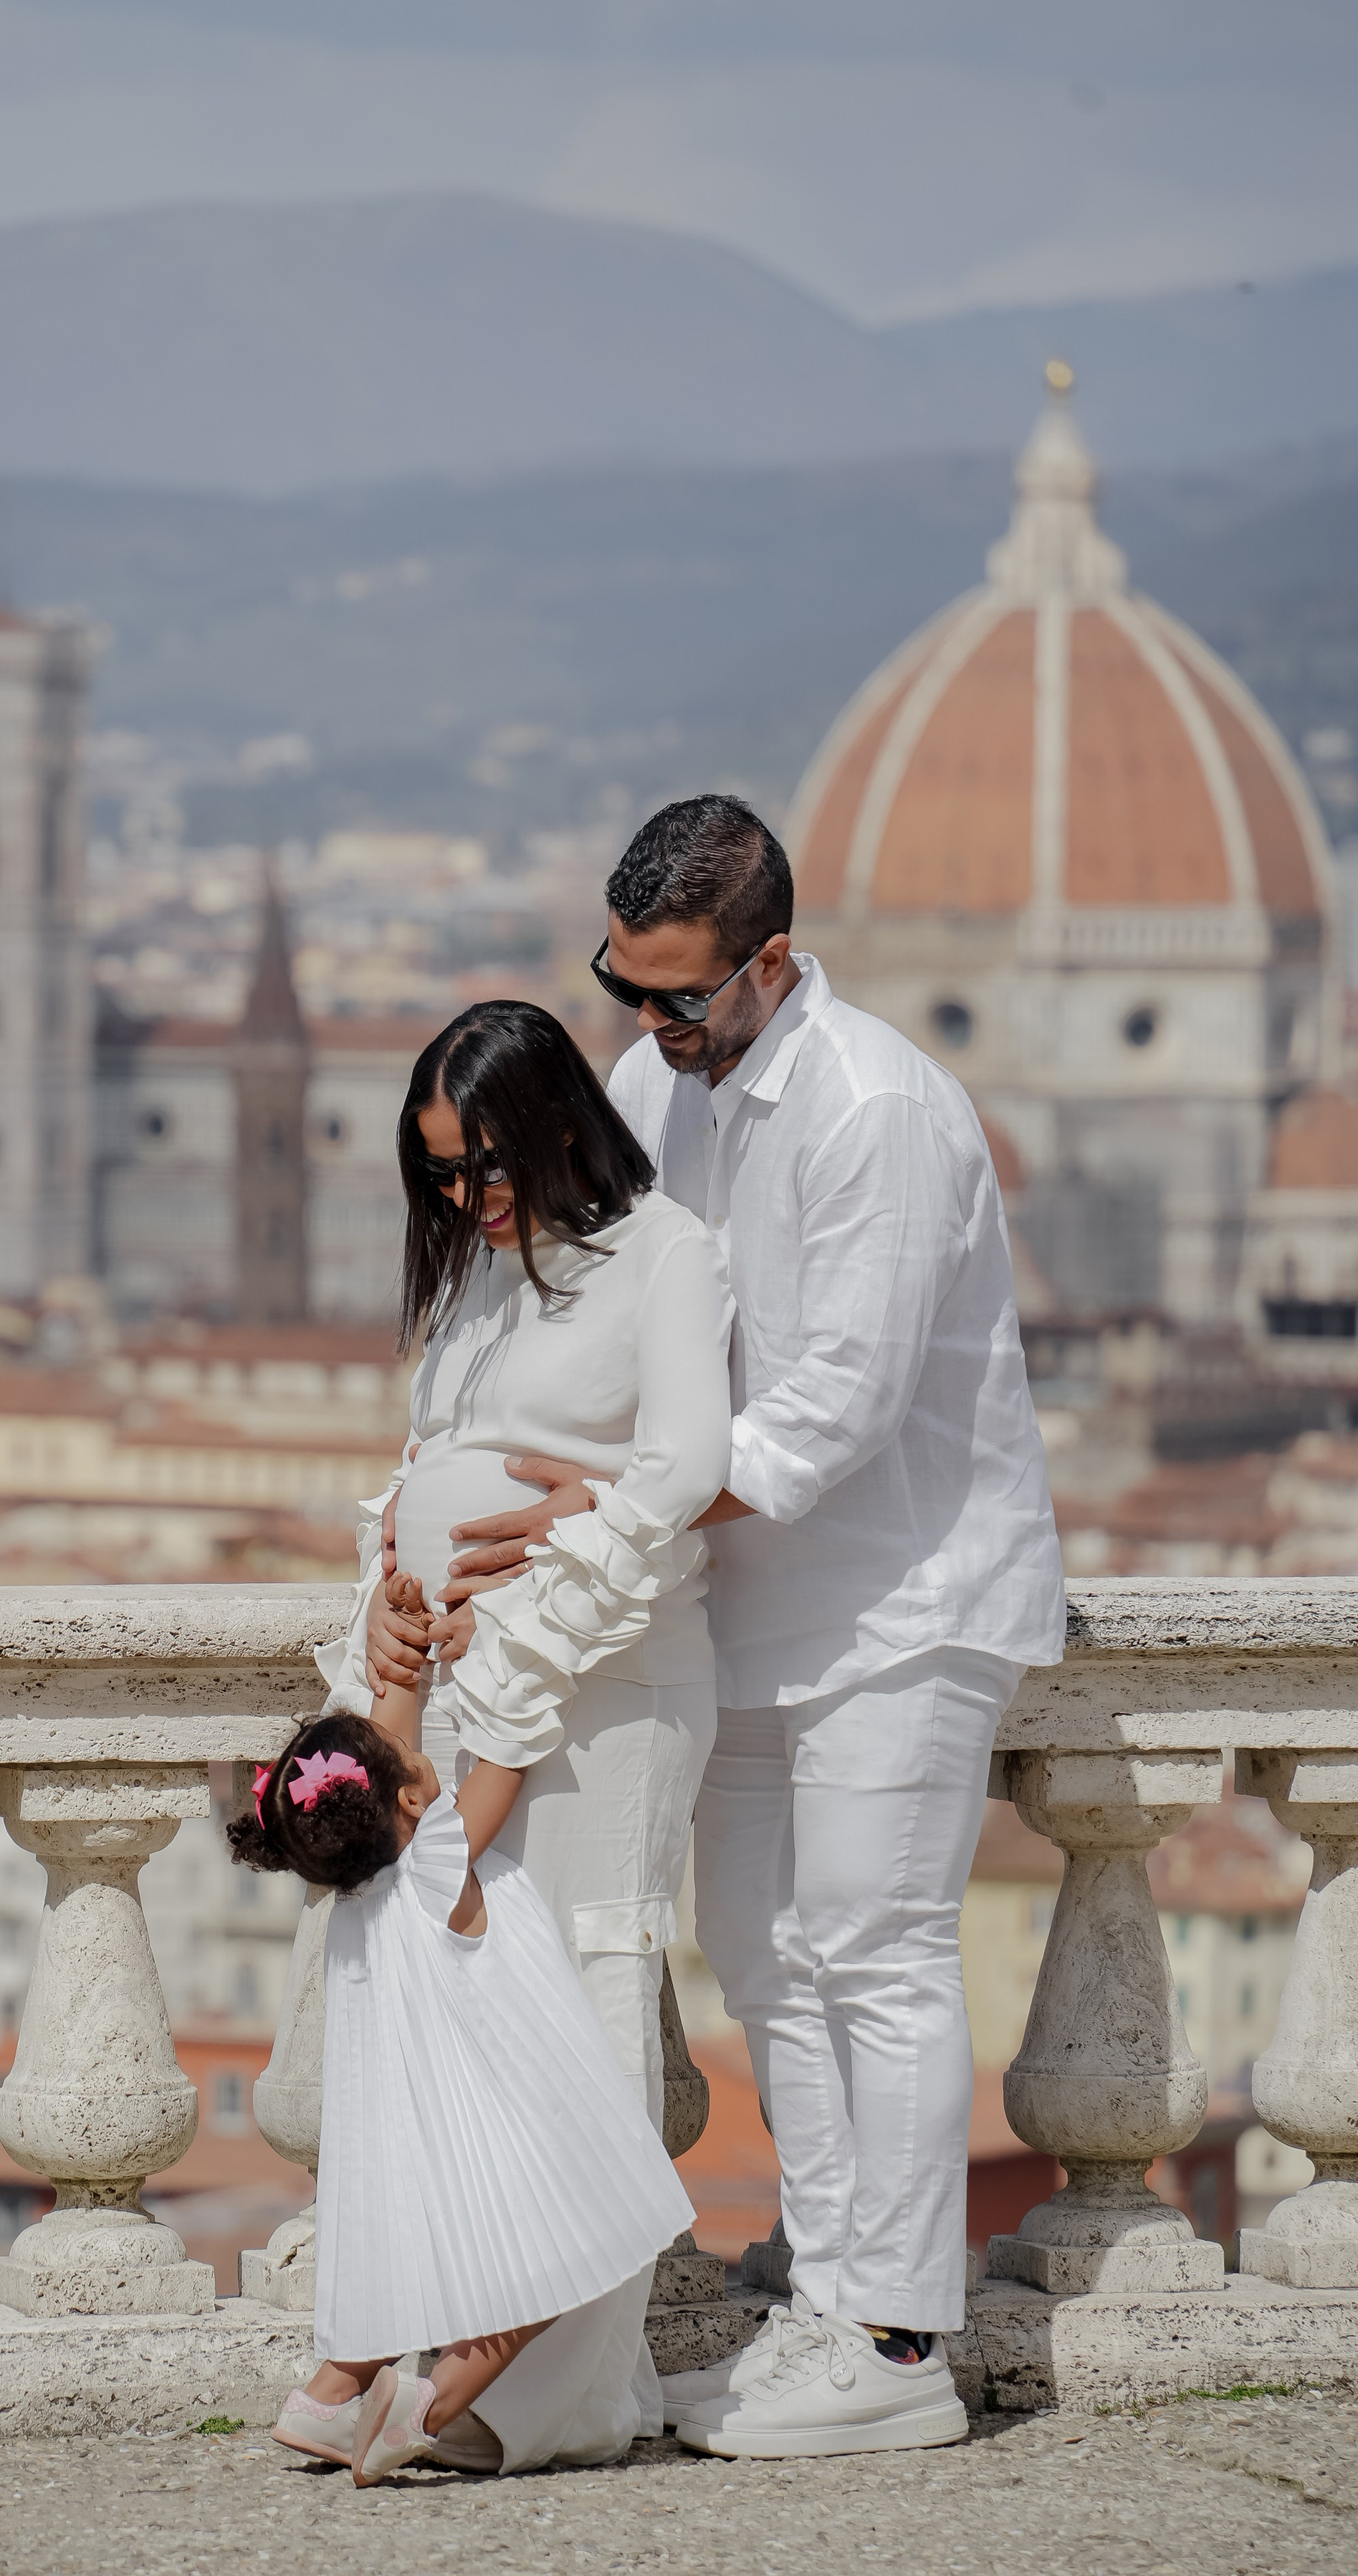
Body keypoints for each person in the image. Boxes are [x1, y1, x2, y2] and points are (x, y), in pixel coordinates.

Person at [429, 796, 1066, 2461]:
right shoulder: (653, 1090)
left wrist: (598, 1508)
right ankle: (830, 2308)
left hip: (903, 1595)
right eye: (622, 988)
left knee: (874, 1948)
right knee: (768, 1957)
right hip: (736, 1604)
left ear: (768, 961)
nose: (646, 1027)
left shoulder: (881, 1112)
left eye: (678, 996)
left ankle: (899, 2337)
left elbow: (818, 1421)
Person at [325, 997, 736, 2465]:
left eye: (485, 1165)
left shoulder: (663, 1255)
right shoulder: (466, 1282)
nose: (465, 1199)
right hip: (460, 1694)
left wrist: (588, 1498)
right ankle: (475, 2340)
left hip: (609, 1686)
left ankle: (548, 2400)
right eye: (437, 1173)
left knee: (587, 1992)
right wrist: (383, 1604)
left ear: (562, 1123)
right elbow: (422, 1469)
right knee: (469, 2004)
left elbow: (685, 1463)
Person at [229, 1663, 694, 2486]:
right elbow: (505, 1760)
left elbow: (392, 1742)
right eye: (401, 1754)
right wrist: (526, 1655)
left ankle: (324, 2399)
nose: (414, 1748)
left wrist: (402, 1659)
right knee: (548, 2277)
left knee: (398, 2280)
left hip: (422, 2137)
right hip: (506, 2122)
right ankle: (424, 2410)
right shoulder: (440, 1857)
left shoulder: (357, 1896)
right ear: (409, 1801)